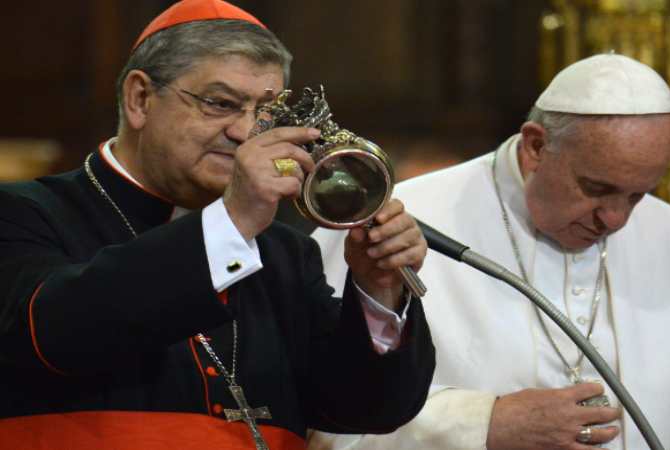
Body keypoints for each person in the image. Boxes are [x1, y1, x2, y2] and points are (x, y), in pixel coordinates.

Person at [0, 1, 435, 449]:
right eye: (221, 103)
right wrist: (234, 219)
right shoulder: (23, 214)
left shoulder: (284, 254)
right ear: (140, 99)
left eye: (265, 114)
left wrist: (378, 288)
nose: (246, 133)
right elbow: (56, 334)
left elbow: (369, 409)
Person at [309, 53, 670, 450]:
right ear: (536, 146)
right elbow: (324, 423)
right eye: (596, 189)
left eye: (638, 196)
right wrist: (484, 424)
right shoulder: (392, 225)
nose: (616, 220)